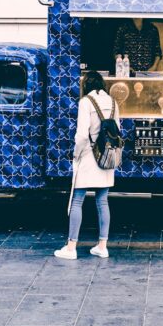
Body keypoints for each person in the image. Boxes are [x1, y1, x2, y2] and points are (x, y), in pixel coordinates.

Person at [54, 71, 120, 260]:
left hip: (88, 155)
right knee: (103, 201)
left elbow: (82, 134)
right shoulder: (114, 102)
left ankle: (71, 247)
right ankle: (102, 246)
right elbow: (118, 131)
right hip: (107, 157)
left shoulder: (85, 102)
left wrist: (76, 154)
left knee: (77, 200)